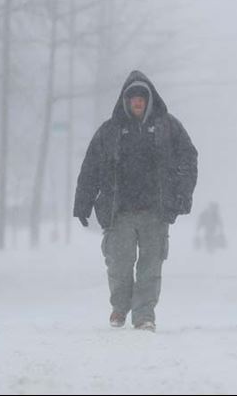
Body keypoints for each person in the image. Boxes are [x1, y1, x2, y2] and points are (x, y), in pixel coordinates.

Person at [73, 70, 198, 332]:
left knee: (150, 266)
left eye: (142, 97)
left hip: (155, 211)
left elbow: (188, 159)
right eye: (133, 97)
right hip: (119, 211)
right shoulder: (109, 131)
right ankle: (120, 306)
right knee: (119, 262)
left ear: (150, 99)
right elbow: (91, 167)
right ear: (125, 101)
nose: (138, 101)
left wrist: (182, 194)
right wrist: (82, 202)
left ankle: (144, 315)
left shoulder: (168, 127)